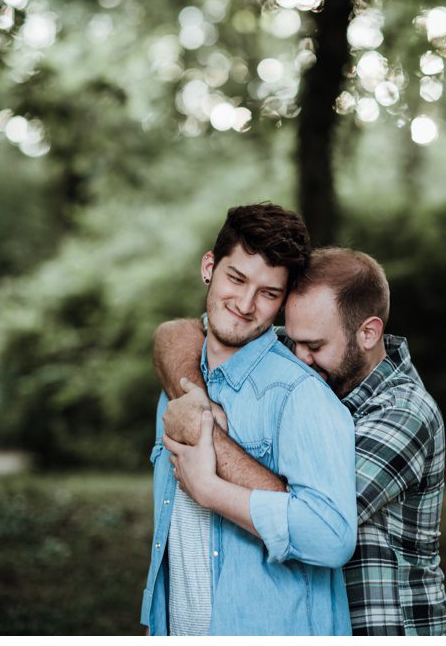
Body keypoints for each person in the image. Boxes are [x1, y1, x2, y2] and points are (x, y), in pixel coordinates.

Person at [153, 247, 446, 635]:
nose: (298, 358)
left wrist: (203, 430)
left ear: (368, 332)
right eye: (292, 342)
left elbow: (313, 514)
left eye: (313, 347)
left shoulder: (404, 413)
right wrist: (196, 396)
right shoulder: (303, 353)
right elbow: (177, 333)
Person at [140, 203, 356, 636]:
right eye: (236, 279)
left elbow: (332, 537)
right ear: (209, 267)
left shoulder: (299, 395)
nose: (244, 303)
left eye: (268, 293)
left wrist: (210, 489)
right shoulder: (182, 382)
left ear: (283, 302)